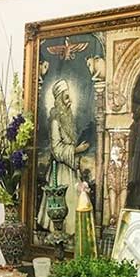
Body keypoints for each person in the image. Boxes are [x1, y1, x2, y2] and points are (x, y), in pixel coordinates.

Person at [37, 79, 88, 235]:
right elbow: (57, 150)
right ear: (59, 100)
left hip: (70, 169)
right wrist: (76, 150)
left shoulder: (67, 119)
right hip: (60, 172)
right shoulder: (55, 122)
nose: (69, 101)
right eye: (66, 98)